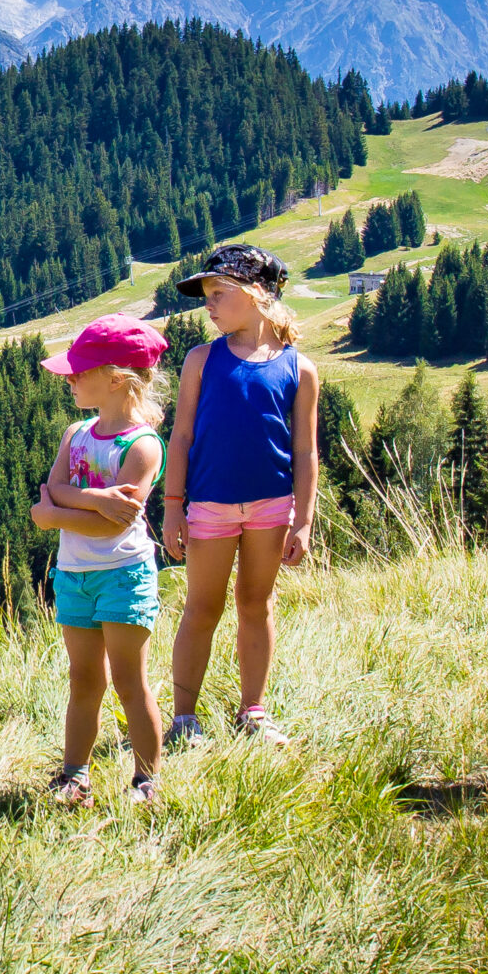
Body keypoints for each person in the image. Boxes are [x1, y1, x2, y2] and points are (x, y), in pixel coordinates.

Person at [160, 243, 319, 748]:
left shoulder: (300, 368)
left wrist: (303, 520)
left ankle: (253, 712)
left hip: (272, 507)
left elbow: (306, 452)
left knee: (257, 602)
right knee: (201, 608)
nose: (207, 304)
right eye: (205, 295)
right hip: (209, 505)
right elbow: (180, 437)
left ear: (256, 294)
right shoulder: (201, 360)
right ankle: (185, 718)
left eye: (218, 293)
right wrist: (171, 508)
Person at [31, 316, 170, 807]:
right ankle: (74, 776)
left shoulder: (143, 445)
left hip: (123, 575)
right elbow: (57, 490)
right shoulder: (77, 432)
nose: (69, 380)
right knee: (84, 679)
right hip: (75, 574)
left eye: (77, 372)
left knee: (131, 681)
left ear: (115, 379)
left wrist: (56, 516)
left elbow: (111, 524)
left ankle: (147, 779)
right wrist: (94, 498)